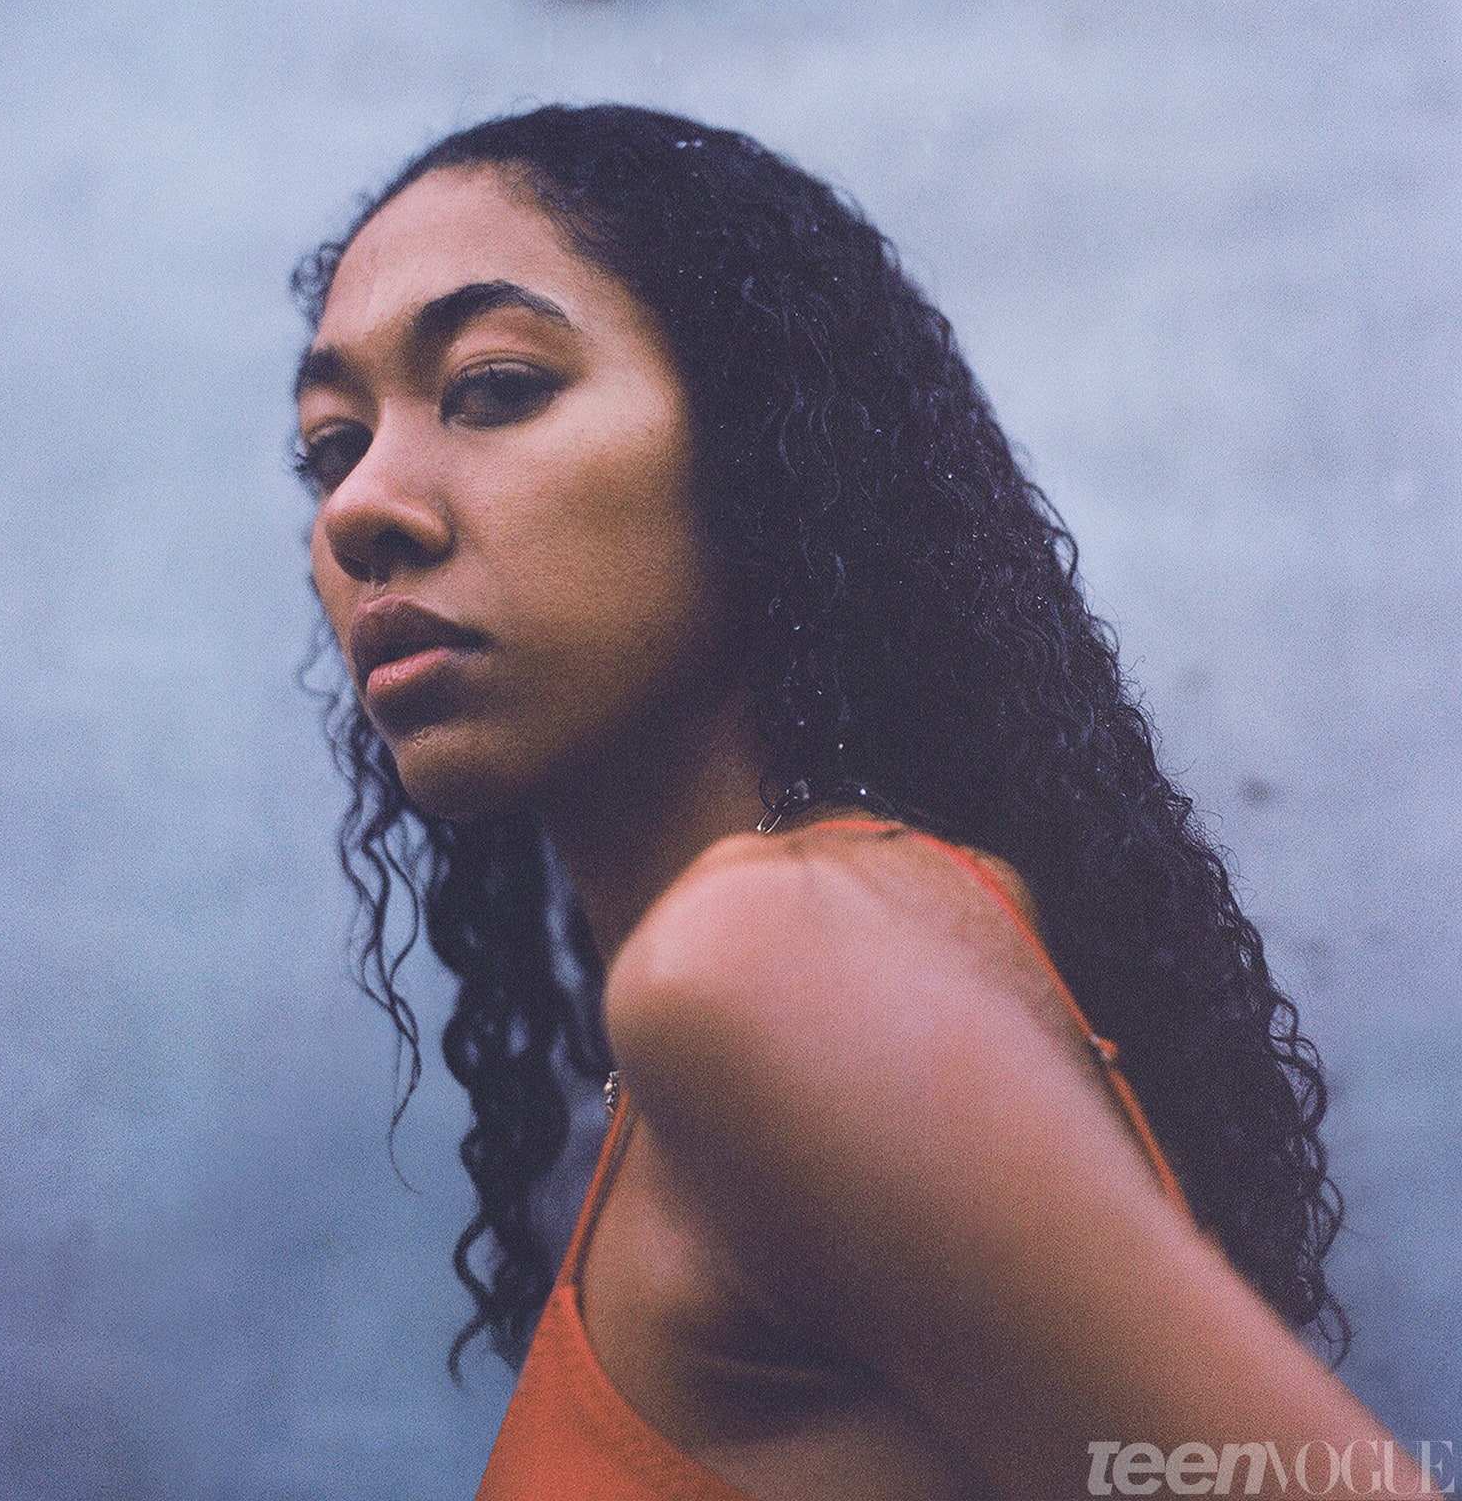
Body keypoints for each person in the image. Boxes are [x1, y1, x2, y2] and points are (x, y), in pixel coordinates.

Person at [291, 104, 1413, 1500]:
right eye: (330, 447)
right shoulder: (796, 969)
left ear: (762, 448)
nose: (360, 509)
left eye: (498, 385)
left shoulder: (772, 962)